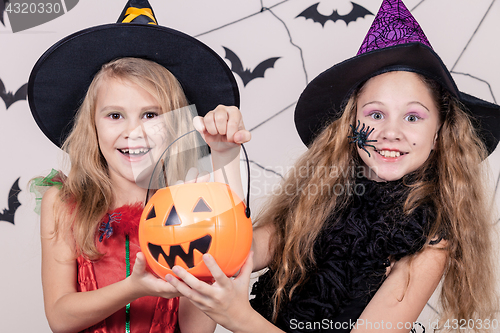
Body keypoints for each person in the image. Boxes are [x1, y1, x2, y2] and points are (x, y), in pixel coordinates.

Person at [165, 0, 500, 332]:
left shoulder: (430, 239)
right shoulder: (318, 198)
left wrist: (238, 317)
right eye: (375, 114)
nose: (391, 133)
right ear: (350, 125)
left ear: (439, 135)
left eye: (412, 117)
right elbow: (231, 253)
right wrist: (225, 157)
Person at [28, 1, 250, 332]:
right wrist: (135, 287)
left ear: (177, 125)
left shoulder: (191, 208)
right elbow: (60, 318)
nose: (134, 132)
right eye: (115, 115)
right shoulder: (63, 204)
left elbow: (196, 329)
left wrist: (225, 155)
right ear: (93, 125)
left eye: (151, 115)